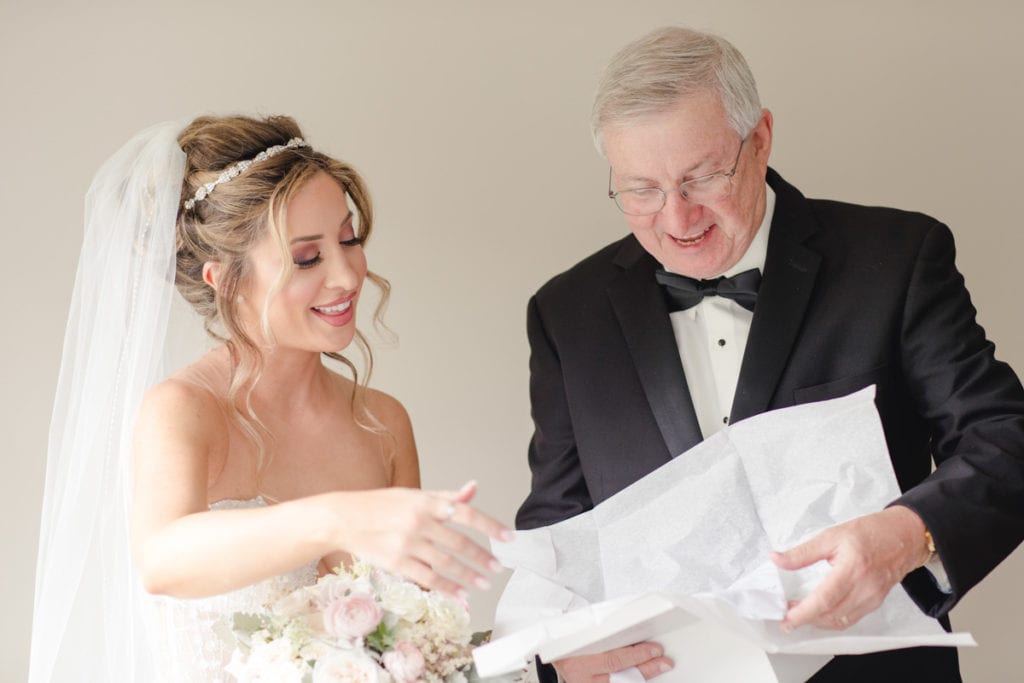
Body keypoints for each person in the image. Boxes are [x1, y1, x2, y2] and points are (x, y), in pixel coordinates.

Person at [515, 26, 1024, 682]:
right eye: (640, 190)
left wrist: (908, 535)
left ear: (760, 140)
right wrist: (555, 648)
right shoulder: (566, 314)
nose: (676, 218)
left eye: (701, 177)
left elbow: (1004, 436)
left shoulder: (897, 258)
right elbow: (558, 529)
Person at [30, 115, 511, 682]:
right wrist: (335, 517)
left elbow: (418, 644)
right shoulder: (184, 410)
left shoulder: (383, 422)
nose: (348, 275)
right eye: (308, 258)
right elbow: (161, 559)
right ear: (226, 281)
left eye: (349, 238)